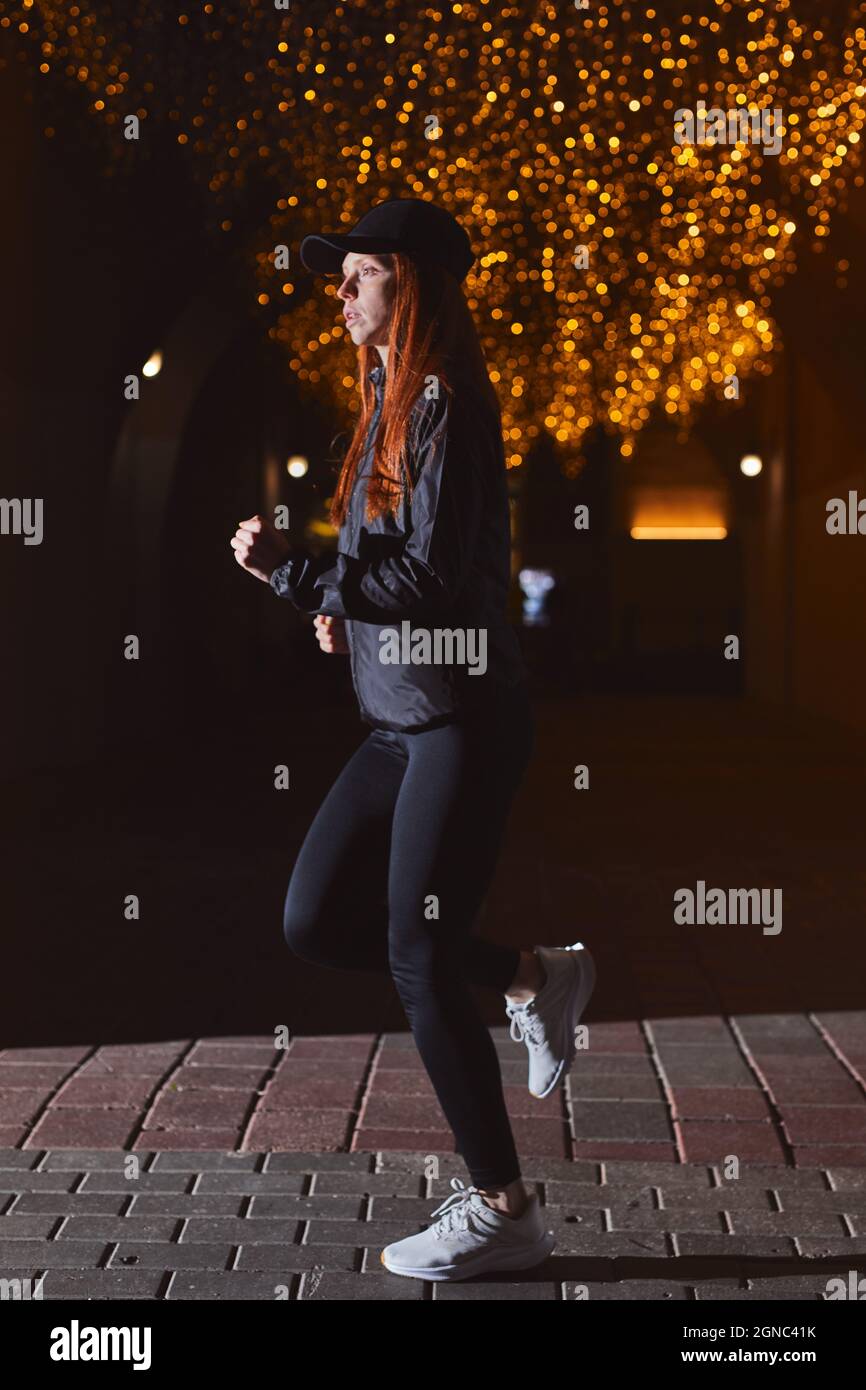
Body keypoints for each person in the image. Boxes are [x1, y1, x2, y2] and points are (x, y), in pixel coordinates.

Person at [231, 197, 596, 1282]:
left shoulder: (442, 399)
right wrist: (341, 595)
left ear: (415, 284)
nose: (338, 291)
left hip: (460, 723)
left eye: (359, 273)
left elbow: (432, 578)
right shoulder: (389, 392)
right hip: (398, 720)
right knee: (313, 918)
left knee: (417, 954)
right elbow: (402, 570)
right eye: (336, 275)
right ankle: (534, 975)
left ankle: (501, 1207)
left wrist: (299, 571)